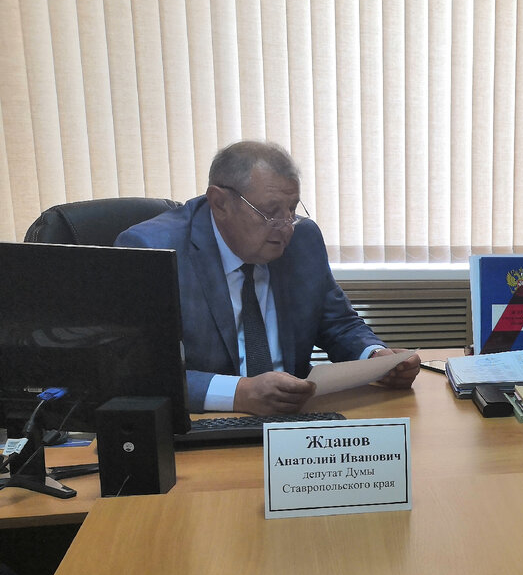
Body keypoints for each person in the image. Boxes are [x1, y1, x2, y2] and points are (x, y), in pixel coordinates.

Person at [116, 141, 420, 415]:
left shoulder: (303, 239)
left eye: (291, 209)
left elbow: (338, 323)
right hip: (205, 423)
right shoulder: (153, 250)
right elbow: (138, 371)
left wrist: (375, 357)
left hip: (293, 418)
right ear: (220, 203)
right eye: (270, 212)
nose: (285, 226)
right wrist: (239, 393)